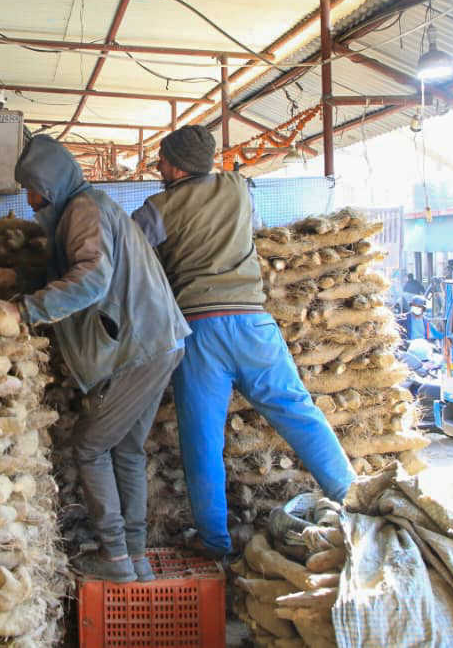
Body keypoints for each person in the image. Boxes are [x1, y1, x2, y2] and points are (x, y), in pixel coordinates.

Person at [132, 125, 355, 559]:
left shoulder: (157, 207)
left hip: (202, 332)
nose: (158, 166)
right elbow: (253, 229)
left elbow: (126, 251)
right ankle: (351, 495)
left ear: (176, 165)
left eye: (161, 159)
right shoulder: (237, 187)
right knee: (299, 413)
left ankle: (215, 542)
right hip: (254, 325)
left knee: (202, 441)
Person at [14, 135, 189, 583]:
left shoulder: (83, 210)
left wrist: (25, 310)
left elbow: (91, 280)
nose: (29, 199)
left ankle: (116, 559)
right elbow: (81, 269)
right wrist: (21, 280)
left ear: (50, 185)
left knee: (90, 447)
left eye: (32, 188)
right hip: (158, 341)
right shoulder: (92, 206)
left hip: (139, 349)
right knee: (127, 450)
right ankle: (136, 560)